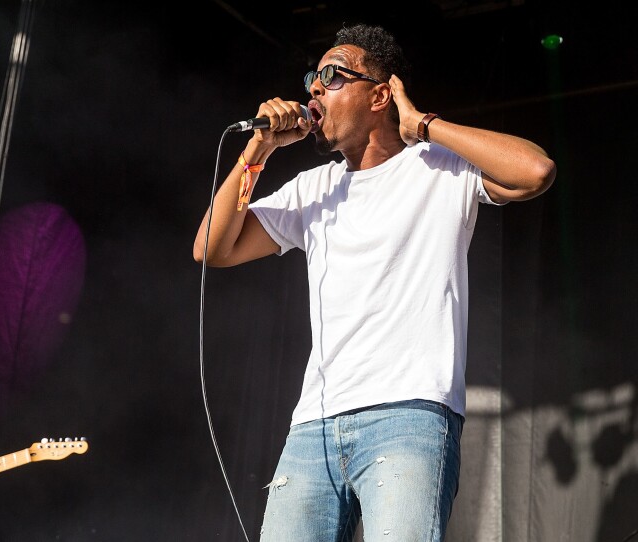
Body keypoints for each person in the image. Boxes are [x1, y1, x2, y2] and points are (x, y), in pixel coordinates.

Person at [193, 22, 555, 542]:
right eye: (310, 79)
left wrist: (423, 124)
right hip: (312, 427)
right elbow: (211, 247)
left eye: (331, 75)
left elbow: (536, 171)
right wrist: (259, 151)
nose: (313, 88)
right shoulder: (312, 190)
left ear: (381, 94)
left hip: (409, 417)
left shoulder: (441, 169)